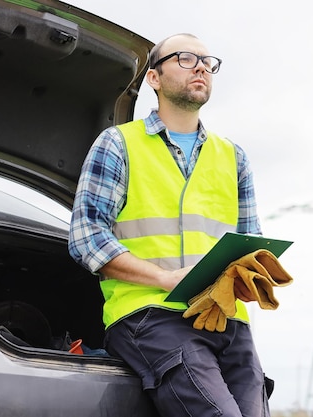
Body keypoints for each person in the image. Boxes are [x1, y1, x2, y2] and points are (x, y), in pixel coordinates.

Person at [68, 33, 270, 417]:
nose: (200, 67)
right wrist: (166, 279)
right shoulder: (117, 144)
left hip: (227, 321)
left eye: (207, 62)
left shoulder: (233, 156)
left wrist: (252, 274)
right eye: (185, 58)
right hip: (150, 315)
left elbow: (250, 241)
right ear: (154, 79)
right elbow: (87, 238)